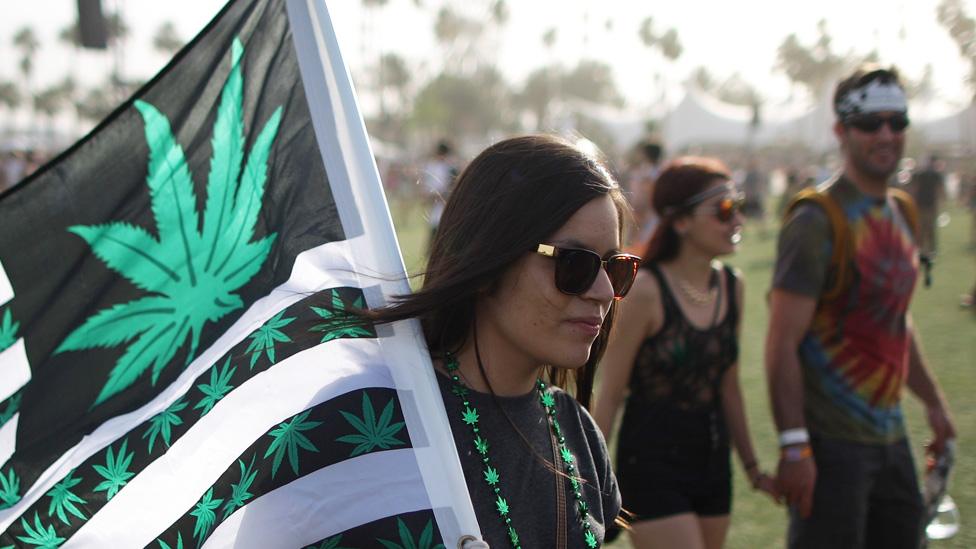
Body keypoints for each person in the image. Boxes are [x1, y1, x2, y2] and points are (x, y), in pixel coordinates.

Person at [364, 134, 633, 547]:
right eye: (574, 263)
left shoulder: (576, 429)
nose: (601, 291)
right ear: (489, 260)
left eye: (614, 268)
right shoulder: (381, 426)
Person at [766, 65, 956, 549]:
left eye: (897, 121)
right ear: (842, 131)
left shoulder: (902, 210)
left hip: (892, 440)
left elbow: (894, 323)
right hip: (831, 448)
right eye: (871, 123)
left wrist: (932, 403)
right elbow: (781, 343)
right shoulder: (816, 219)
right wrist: (794, 445)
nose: (887, 134)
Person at [594, 157, 777, 549]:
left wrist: (752, 468)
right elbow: (611, 392)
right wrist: (590, 481)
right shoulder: (645, 291)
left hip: (713, 462)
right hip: (651, 463)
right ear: (680, 221)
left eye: (739, 208)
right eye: (724, 211)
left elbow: (728, 385)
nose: (737, 221)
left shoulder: (732, 286)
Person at [419, 139, 459, 248]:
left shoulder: (450, 168)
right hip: (437, 211)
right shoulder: (434, 167)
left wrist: (436, 195)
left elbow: (451, 188)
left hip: (446, 210)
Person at [910, 154, 946, 258]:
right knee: (930, 228)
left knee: (921, 228)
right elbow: (939, 188)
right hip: (930, 204)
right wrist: (942, 201)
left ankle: (920, 249)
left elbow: (914, 189)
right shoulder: (936, 174)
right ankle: (931, 250)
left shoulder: (918, 174)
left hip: (920, 204)